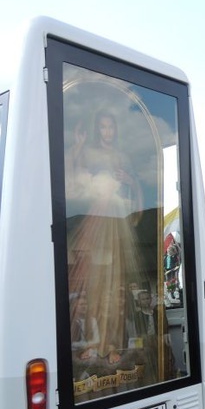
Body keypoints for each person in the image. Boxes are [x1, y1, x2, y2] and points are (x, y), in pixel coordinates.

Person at [65, 110, 144, 360]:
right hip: (98, 220)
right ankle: (93, 343)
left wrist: (130, 181)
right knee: (94, 283)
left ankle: (111, 344)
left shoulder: (121, 156)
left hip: (117, 219)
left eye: (111, 127)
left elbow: (136, 192)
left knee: (114, 284)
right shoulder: (88, 152)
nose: (107, 132)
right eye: (103, 127)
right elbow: (72, 180)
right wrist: (77, 146)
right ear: (97, 128)